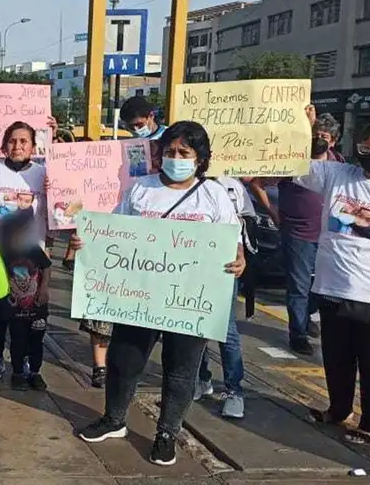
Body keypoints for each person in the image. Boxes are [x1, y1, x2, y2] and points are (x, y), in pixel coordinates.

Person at [75, 121, 246, 466]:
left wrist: (239, 260)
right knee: (124, 360)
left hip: (189, 301)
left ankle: (167, 432)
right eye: (170, 151)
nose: (176, 157)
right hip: (138, 298)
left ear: (200, 158)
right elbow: (112, 232)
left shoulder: (213, 195)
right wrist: (86, 240)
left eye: (184, 152)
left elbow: (233, 243)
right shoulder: (140, 190)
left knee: (181, 369)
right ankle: (114, 419)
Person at [298, 106, 370, 447]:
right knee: (336, 358)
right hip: (332, 283)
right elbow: (301, 165)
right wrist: (308, 129)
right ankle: (338, 409)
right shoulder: (337, 174)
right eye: (368, 147)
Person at [249, 113, 344, 356]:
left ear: (333, 141)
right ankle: (298, 334)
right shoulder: (292, 162)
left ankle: (304, 315)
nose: (318, 140)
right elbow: (257, 184)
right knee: (299, 286)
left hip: (330, 236)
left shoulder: (339, 165)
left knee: (321, 287)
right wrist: (273, 212)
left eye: (323, 137)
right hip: (298, 233)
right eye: (314, 136)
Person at [0, 120, 55, 381]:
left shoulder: (43, 174)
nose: (17, 145)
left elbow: (54, 215)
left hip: (30, 257)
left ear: (33, 146)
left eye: (24, 141)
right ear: (3, 145)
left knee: (27, 315)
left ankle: (24, 366)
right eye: (12, 140)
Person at [194, 175, 254, 419]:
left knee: (225, 329)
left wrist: (241, 254)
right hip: (186, 267)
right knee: (194, 325)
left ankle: (234, 390)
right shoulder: (183, 185)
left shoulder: (232, 186)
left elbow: (242, 225)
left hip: (222, 267)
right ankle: (200, 377)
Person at [0, 207, 52, 390]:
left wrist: (43, 288)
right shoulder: (4, 251)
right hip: (15, 307)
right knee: (17, 341)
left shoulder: (33, 249)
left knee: (36, 341)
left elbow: (47, 267)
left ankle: (35, 372)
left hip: (38, 306)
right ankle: (17, 373)